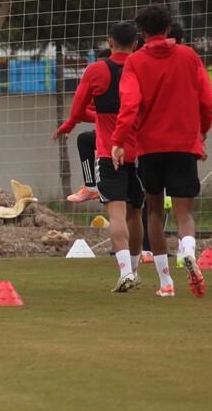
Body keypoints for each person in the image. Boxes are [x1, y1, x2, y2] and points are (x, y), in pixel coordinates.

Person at [110, 5, 212, 298]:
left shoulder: (135, 62)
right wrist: (202, 132)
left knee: (154, 211)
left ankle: (166, 283)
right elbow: (207, 100)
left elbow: (129, 106)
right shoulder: (189, 56)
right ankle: (189, 251)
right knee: (184, 213)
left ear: (141, 34)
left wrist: (118, 141)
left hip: (150, 148)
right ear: (168, 29)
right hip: (184, 145)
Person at [53, 21, 146, 293]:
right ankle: (136, 269)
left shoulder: (96, 70)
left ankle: (125, 273)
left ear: (110, 43)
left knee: (116, 213)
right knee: (136, 213)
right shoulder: (142, 68)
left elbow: (78, 108)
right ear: (137, 45)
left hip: (109, 153)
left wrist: (68, 125)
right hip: (141, 153)